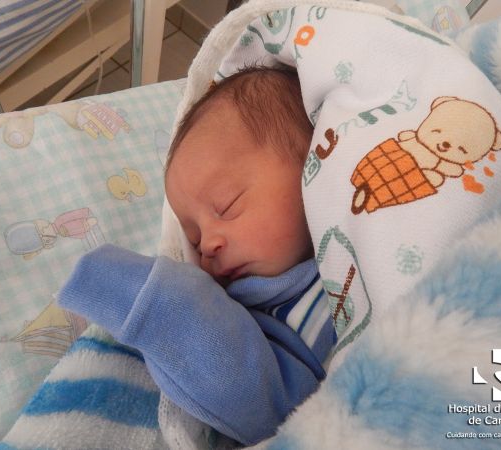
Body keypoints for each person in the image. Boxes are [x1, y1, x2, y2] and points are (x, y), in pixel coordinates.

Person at [58, 67, 335, 446]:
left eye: (226, 205)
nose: (206, 245)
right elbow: (271, 406)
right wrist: (157, 302)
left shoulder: (360, 242)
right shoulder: (257, 316)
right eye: (193, 235)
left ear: (312, 165)